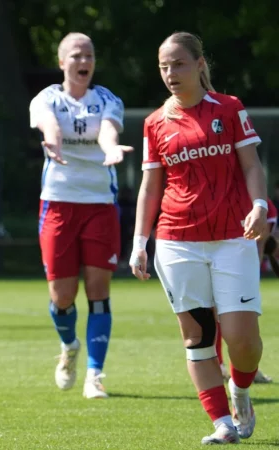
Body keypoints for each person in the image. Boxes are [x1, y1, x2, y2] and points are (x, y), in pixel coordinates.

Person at [130, 32, 268, 444]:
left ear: (200, 64)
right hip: (176, 241)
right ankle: (222, 423)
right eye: (164, 66)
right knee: (198, 338)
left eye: (179, 64)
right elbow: (150, 187)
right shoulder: (155, 122)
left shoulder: (229, 109)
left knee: (243, 340)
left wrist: (259, 205)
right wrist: (139, 241)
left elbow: (252, 166)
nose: (171, 73)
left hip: (233, 238)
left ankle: (240, 390)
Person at [28, 32, 133, 399]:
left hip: (100, 204)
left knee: (98, 291)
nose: (83, 61)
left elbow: (107, 130)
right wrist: (53, 145)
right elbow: (51, 127)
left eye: (88, 55)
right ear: (62, 62)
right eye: (76, 55)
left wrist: (111, 149)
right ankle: (69, 345)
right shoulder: (46, 98)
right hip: (57, 203)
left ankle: (95, 374)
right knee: (62, 296)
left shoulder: (107, 99)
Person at [217, 200, 277, 383]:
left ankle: (242, 370)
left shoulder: (263, 205)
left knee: (237, 322)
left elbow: (257, 244)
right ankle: (223, 367)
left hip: (234, 265)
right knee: (219, 317)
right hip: (217, 259)